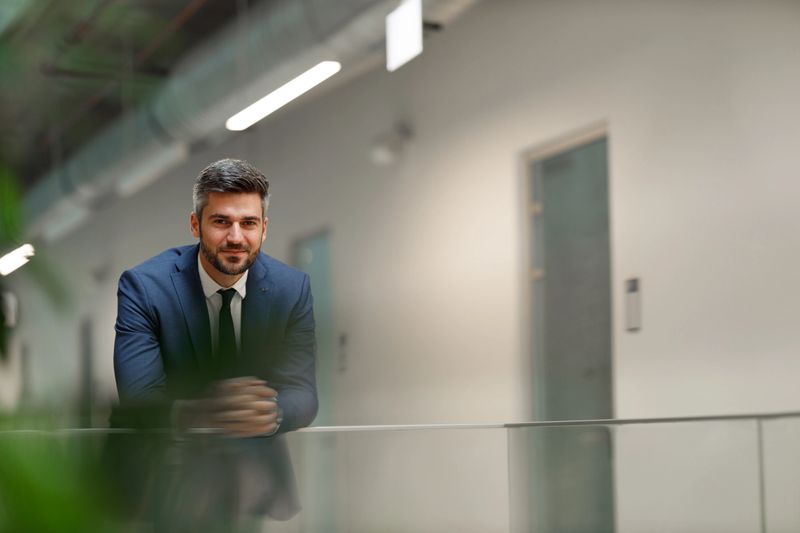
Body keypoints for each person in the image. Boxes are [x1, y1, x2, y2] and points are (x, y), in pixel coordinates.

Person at [109, 158, 317, 527]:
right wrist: (206, 413)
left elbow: (303, 393)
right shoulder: (144, 287)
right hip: (164, 477)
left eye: (248, 223)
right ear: (196, 225)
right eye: (221, 221)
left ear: (264, 228)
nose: (236, 237)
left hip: (250, 479)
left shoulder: (291, 288)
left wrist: (271, 413)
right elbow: (139, 397)